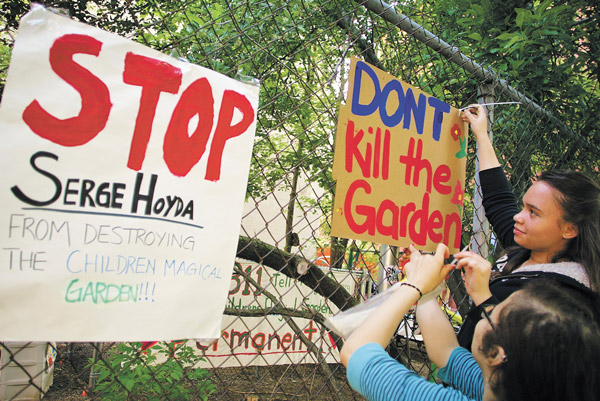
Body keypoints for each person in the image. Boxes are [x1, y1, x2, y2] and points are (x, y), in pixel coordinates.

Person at [340, 244, 600, 401]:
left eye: (494, 312)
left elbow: (355, 352)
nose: (487, 309)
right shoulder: (506, 384)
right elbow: (446, 353)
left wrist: (413, 286)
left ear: (498, 353)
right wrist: (428, 293)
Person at [456, 104, 600, 349]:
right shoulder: (525, 249)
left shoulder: (567, 296)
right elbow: (499, 200)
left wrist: (483, 296)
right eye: (523, 207)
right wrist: (481, 133)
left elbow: (517, 359)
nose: (518, 217)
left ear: (570, 229)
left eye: (533, 213)